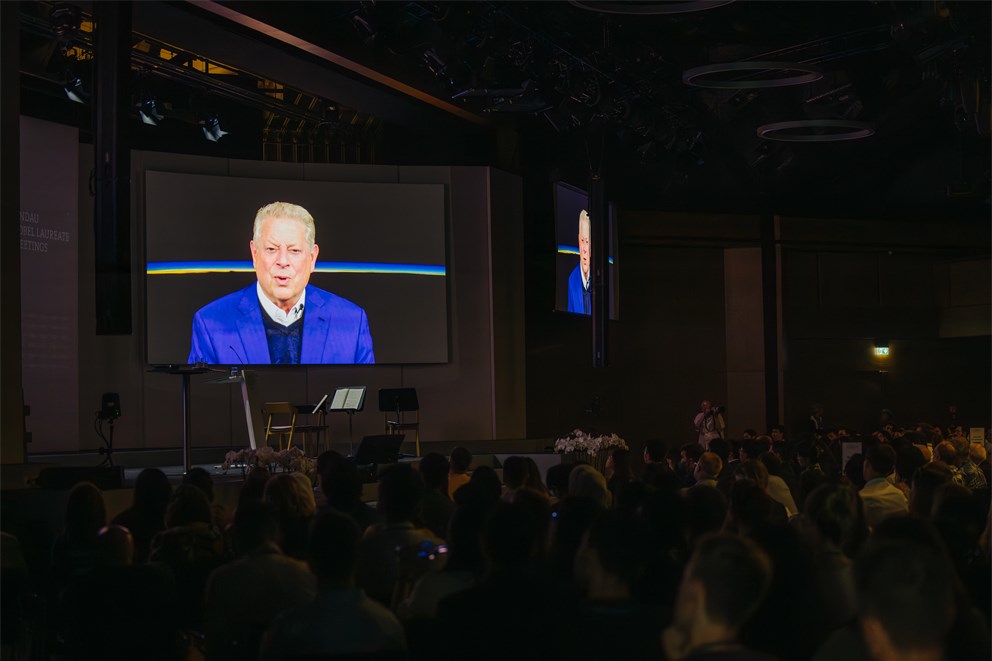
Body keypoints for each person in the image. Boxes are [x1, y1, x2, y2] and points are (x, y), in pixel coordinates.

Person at [188, 201, 374, 364]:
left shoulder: (352, 322)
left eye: (294, 250)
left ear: (312, 257)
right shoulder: (211, 323)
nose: (282, 261)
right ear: (254, 253)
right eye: (271, 249)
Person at [567, 209, 592, 315]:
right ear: (578, 240)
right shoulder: (572, 280)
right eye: (582, 241)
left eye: (587, 242)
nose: (584, 249)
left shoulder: (601, 278)